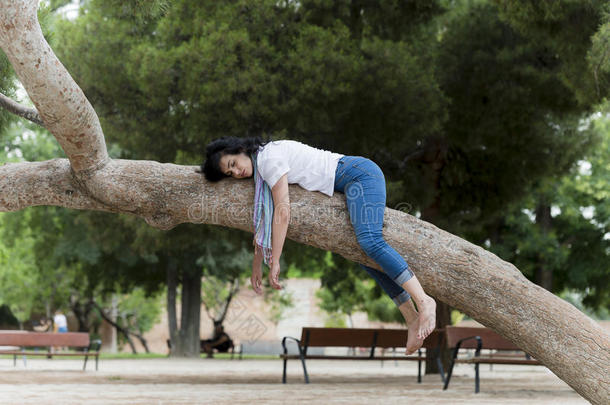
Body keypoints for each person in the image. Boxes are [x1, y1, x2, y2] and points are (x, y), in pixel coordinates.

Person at [201, 137, 436, 354]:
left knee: (370, 241)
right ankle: (411, 318)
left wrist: (275, 261)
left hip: (359, 175)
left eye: (232, 163)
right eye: (230, 173)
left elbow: (282, 212)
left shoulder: (268, 160)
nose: (236, 172)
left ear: (241, 150)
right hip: (347, 183)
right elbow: (264, 216)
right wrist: (256, 264)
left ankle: (424, 301)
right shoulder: (262, 168)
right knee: (361, 254)